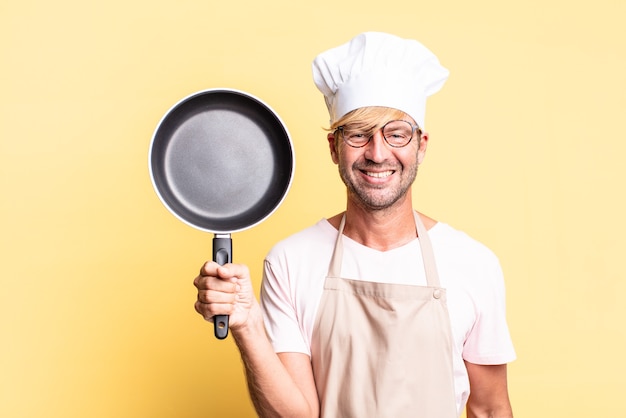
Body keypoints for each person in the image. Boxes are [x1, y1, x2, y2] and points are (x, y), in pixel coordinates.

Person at [194, 32, 516, 418]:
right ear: (334, 147)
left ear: (421, 145)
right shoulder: (290, 262)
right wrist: (248, 326)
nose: (378, 154)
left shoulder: (472, 263)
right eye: (359, 134)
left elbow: (490, 409)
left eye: (396, 134)